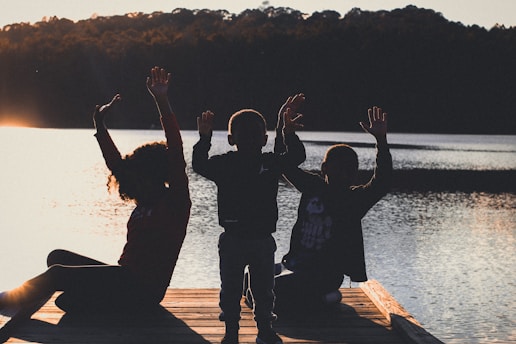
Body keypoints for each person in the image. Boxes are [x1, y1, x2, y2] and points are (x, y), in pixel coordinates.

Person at [0, 66, 190, 318]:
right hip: (123, 279)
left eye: (138, 174)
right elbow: (116, 165)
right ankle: (75, 302)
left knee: (58, 274)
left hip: (143, 291)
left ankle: (6, 301)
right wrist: (99, 124)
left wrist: (162, 100)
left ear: (153, 175)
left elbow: (175, 150)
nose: (131, 178)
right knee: (57, 257)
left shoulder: (175, 202)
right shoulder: (144, 198)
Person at [247, 103, 392, 312]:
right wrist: (285, 131)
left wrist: (381, 140)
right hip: (293, 266)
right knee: (249, 280)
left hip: (324, 276)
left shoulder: (354, 199)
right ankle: (319, 299)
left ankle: (324, 298)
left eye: (350, 169)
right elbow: (284, 165)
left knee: (264, 293)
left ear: (355, 173)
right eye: (339, 167)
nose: (344, 172)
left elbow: (382, 181)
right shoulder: (312, 186)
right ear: (324, 168)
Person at [192, 98, 305, 344]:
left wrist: (288, 132)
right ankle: (231, 332)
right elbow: (199, 164)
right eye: (246, 136)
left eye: (256, 136)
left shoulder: (270, 163)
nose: (252, 141)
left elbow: (297, 156)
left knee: (264, 290)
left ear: (264, 140)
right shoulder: (225, 163)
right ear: (232, 140)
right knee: (231, 289)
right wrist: (204, 138)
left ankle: (264, 330)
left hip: (262, 241)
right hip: (232, 239)